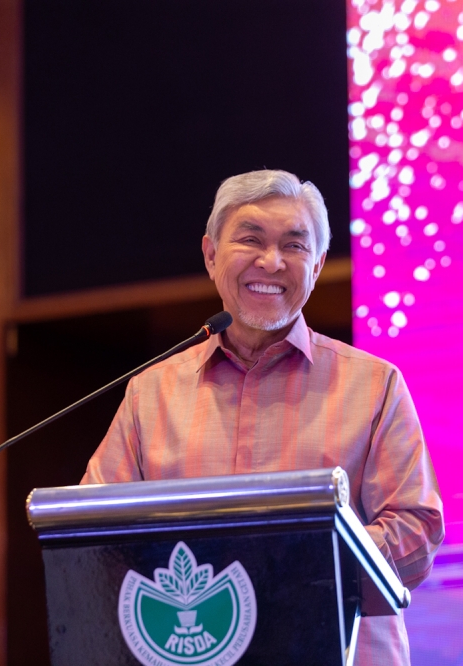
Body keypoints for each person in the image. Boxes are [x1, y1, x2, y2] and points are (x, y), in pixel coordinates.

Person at [83, 169, 444, 665]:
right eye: (250, 239)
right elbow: (90, 532)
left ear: (316, 266)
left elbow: (416, 528)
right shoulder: (151, 392)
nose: (271, 262)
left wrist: (298, 564)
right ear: (211, 255)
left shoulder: (375, 385)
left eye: (294, 246)